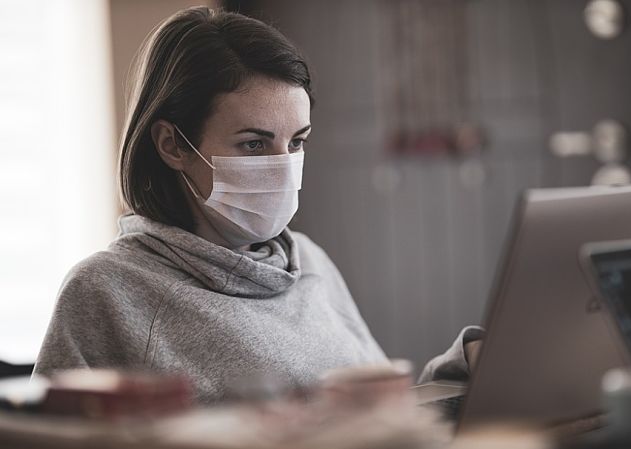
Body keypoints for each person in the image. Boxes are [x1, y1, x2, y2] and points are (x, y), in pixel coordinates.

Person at [33, 6, 483, 403]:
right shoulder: (106, 292)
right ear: (172, 144)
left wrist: (465, 367)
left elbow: (382, 418)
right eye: (253, 144)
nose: (283, 167)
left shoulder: (310, 261)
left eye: (298, 141)